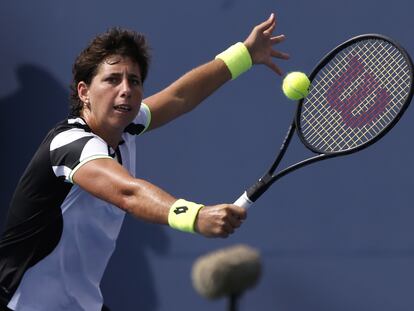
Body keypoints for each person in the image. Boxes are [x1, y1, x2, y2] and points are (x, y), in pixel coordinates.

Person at [0, 13, 289, 311]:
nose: (126, 89)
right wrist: (195, 216)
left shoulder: (126, 125)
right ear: (84, 92)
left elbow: (180, 96)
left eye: (134, 81)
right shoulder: (70, 144)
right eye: (112, 79)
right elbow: (129, 193)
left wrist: (244, 54)